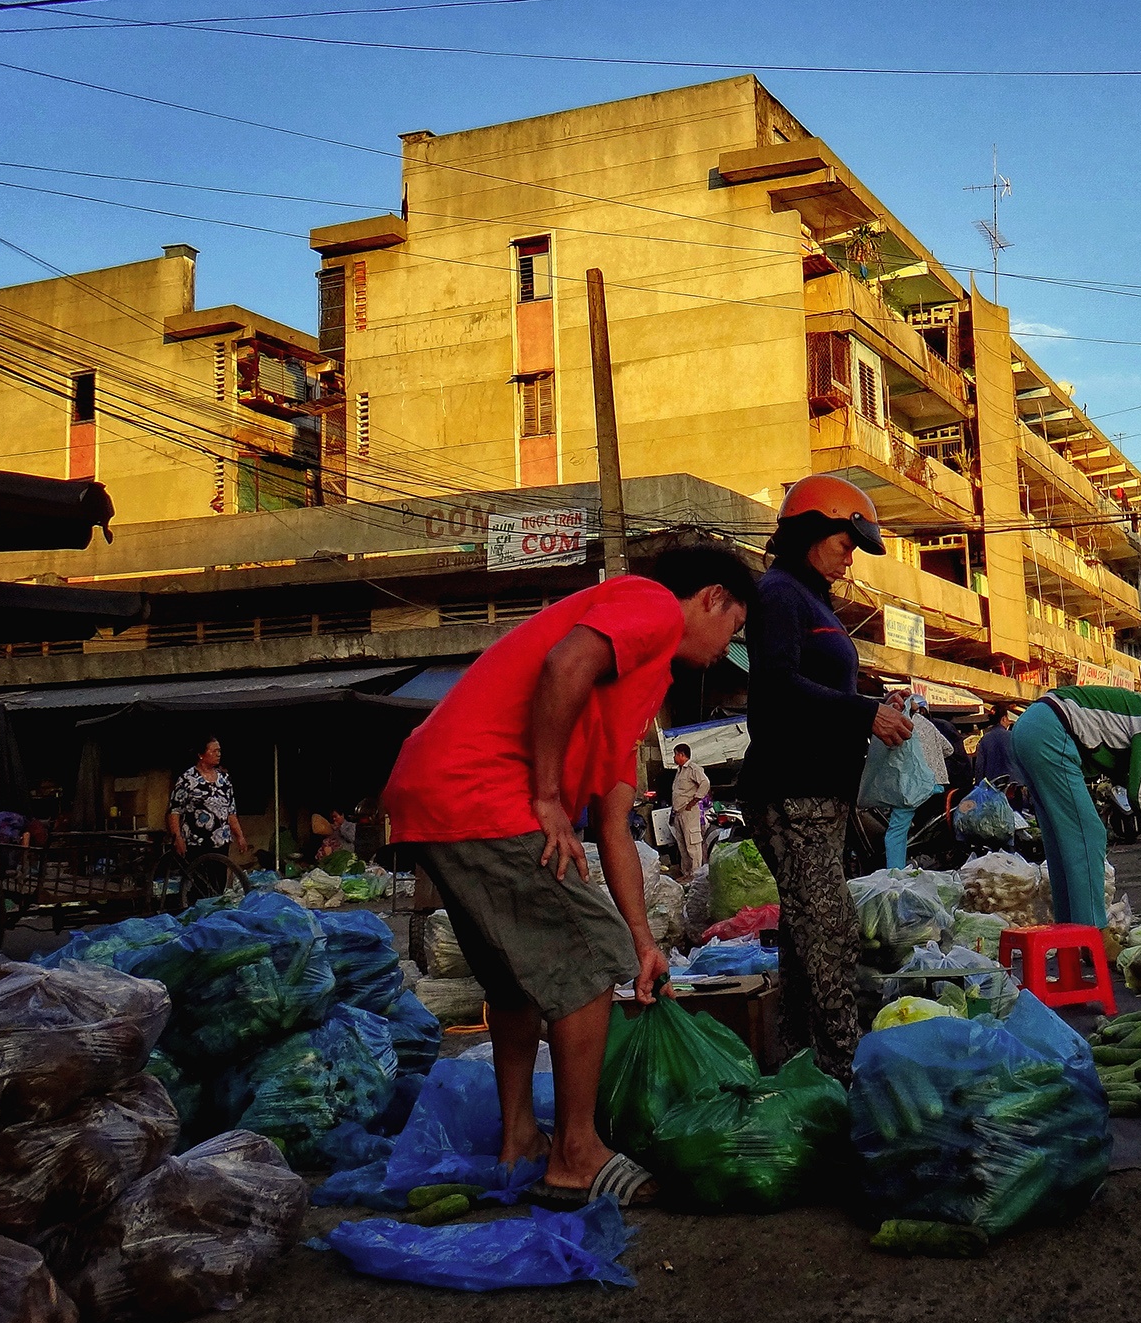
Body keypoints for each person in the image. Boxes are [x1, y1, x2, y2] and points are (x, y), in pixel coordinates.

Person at [383, 545, 753, 1209]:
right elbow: (564, 663)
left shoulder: (643, 680)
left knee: (521, 983)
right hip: (482, 793)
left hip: (431, 791)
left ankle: (519, 1139)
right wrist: (548, 798)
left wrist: (644, 942)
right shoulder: (647, 604)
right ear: (711, 597)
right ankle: (576, 1152)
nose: (731, 642)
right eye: (735, 624)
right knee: (584, 968)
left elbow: (615, 826)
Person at [738, 475, 913, 1083]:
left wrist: (872, 701)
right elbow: (778, 686)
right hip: (791, 789)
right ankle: (844, 1069)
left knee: (804, 928)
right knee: (830, 929)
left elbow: (823, 687)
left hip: (823, 792)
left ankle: (795, 1058)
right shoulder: (780, 595)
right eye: (845, 542)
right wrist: (864, 711)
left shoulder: (814, 599)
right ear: (813, 532)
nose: (849, 557)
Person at [1010, 674, 1141, 927]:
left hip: (1030, 727)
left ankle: (1070, 930)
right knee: (1088, 834)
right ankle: (1094, 933)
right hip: (1052, 732)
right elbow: (1140, 793)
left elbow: (1132, 775)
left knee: (1063, 842)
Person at [882, 694, 951, 870]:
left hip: (915, 787)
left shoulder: (900, 723)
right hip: (938, 786)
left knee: (896, 832)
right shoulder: (929, 724)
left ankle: (894, 875)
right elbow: (948, 749)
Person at [168, 738, 249, 864]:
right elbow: (175, 811)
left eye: (219, 751)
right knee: (199, 881)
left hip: (221, 842)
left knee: (218, 882)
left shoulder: (224, 779)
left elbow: (231, 811)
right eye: (214, 751)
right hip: (196, 842)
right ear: (201, 755)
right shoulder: (187, 779)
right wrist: (177, 838)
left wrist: (240, 836)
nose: (218, 754)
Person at [973, 702, 1028, 809]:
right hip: (1014, 787)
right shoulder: (1013, 737)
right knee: (1016, 817)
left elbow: (979, 767)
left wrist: (978, 787)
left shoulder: (985, 739)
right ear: (1003, 719)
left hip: (992, 788)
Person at [669, 743, 712, 876]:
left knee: (692, 845)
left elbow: (705, 783)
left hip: (689, 812)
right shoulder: (680, 770)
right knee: (682, 845)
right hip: (678, 813)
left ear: (682, 755)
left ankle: (695, 874)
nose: (674, 757)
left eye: (675, 754)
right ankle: (686, 873)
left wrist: (694, 801)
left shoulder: (693, 768)